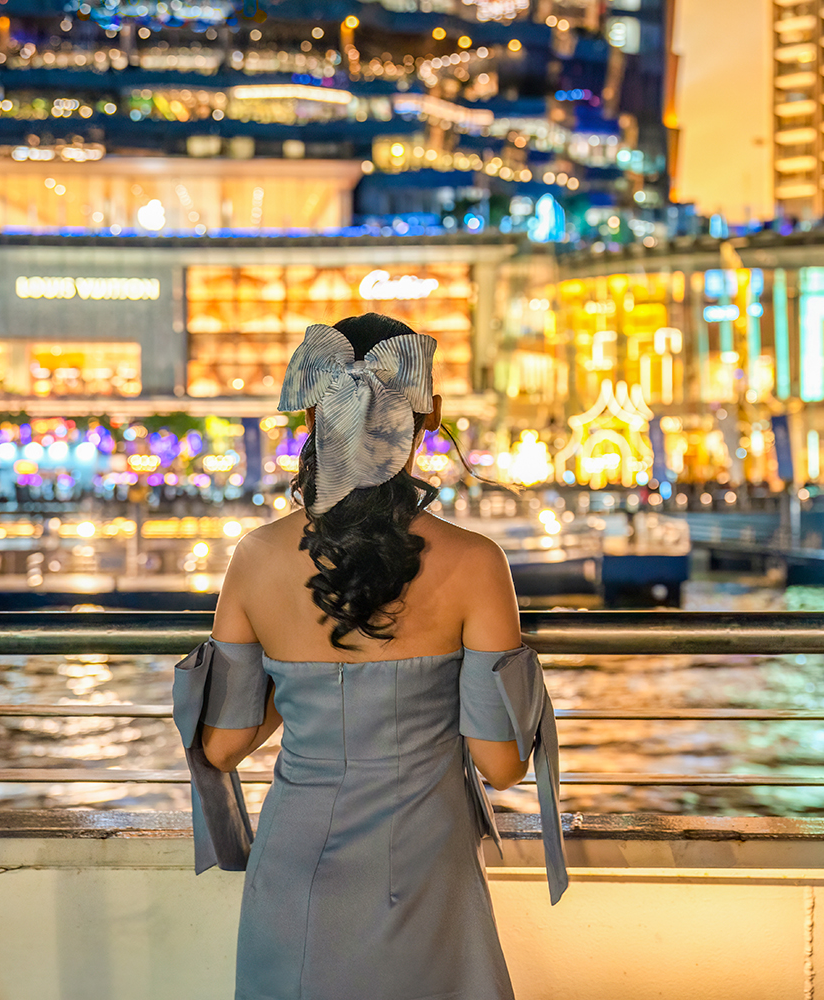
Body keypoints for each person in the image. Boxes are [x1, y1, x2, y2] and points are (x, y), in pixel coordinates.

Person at [172, 314, 567, 1000]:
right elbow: (501, 766)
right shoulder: (476, 563)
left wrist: (296, 680)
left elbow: (223, 746)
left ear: (314, 416)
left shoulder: (256, 558)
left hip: (295, 865)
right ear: (429, 417)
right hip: (423, 867)